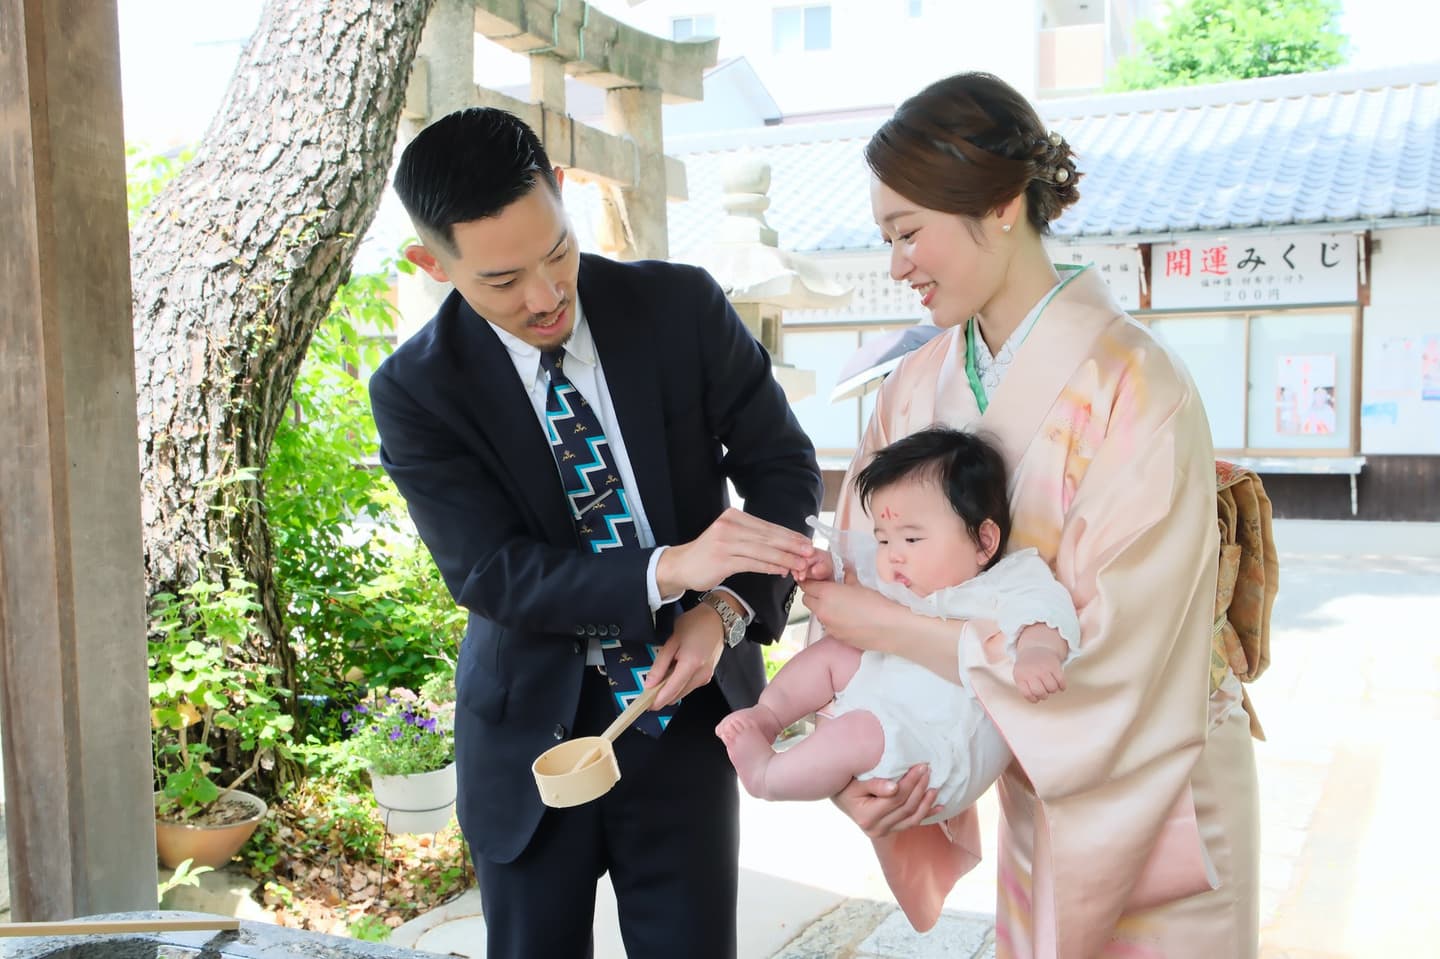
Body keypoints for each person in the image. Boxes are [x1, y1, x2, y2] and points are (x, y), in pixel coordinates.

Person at [799, 73, 1261, 958]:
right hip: (1022, 771)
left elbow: (1124, 652)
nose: (896, 263)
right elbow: (863, 587)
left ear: (1004, 204)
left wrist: (908, 636)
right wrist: (850, 756)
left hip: (1158, 784)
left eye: (907, 233)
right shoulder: (913, 387)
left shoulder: (1137, 381)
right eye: (886, 237)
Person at [369, 107, 823, 959]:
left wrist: (722, 605)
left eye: (557, 252)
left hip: (684, 714)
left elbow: (783, 470)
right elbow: (492, 572)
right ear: (431, 264)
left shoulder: (679, 306)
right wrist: (670, 567)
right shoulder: (416, 391)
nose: (544, 297)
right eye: (503, 281)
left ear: (563, 194)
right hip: (531, 741)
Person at [716, 427, 1078, 828]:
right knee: (836, 651)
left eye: (911, 538)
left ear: (984, 542)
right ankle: (769, 715)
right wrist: (829, 574)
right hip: (887, 700)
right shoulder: (902, 576)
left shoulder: (1009, 580)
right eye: (884, 541)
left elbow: (1044, 611)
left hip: (931, 749)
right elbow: (858, 579)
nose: (893, 557)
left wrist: (1038, 651)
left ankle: (767, 777)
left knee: (858, 731)